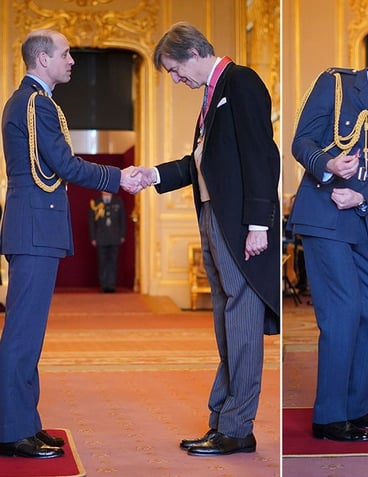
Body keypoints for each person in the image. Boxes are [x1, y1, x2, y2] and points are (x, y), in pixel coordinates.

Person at [134, 21, 281, 456]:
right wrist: (153, 175)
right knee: (227, 324)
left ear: (195, 52)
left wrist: (259, 224)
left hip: (239, 224)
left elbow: (261, 155)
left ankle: (237, 429)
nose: (177, 79)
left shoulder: (240, 82)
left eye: (176, 70)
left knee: (241, 322)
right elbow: (200, 162)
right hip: (214, 216)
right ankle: (222, 421)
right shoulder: (212, 94)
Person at [0, 28, 142, 459]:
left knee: (29, 334)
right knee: (22, 336)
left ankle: (24, 422)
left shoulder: (32, 103)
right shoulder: (34, 105)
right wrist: (118, 178)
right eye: (65, 54)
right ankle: (10, 431)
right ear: (43, 59)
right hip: (33, 228)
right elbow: (63, 164)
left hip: (35, 226)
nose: (72, 60)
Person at [287, 38, 368, 442]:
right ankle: (328, 417)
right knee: (342, 311)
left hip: (362, 218)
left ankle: (356, 407)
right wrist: (327, 164)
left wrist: (363, 195)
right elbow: (300, 142)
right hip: (324, 214)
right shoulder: (335, 84)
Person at [88, 191, 126, 293]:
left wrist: (122, 235)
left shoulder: (118, 201)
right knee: (102, 262)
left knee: (113, 262)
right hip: (101, 237)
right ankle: (104, 285)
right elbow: (91, 221)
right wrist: (93, 237)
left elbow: (122, 220)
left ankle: (112, 285)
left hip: (114, 237)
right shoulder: (96, 202)